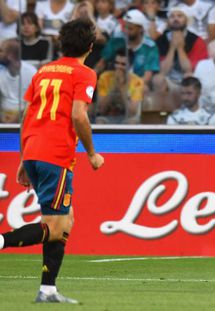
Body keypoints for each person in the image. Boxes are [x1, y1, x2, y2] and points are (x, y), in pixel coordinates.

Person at [0, 18, 104, 303]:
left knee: (64, 220)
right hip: (55, 155)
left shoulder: (43, 71)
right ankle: (2, 241)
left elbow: (26, 116)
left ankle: (48, 289)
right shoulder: (84, 74)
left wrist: (24, 158)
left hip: (34, 151)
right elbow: (78, 115)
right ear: (91, 46)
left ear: (61, 42)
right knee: (56, 227)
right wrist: (93, 154)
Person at [96, 48, 144, 124]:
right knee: (100, 121)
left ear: (130, 66)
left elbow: (132, 112)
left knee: (132, 122)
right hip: (108, 116)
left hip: (127, 118)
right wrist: (115, 85)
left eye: (123, 64)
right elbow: (101, 109)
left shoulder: (137, 81)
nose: (119, 67)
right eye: (117, 63)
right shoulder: (105, 77)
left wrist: (121, 86)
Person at [0, 39, 37, 123]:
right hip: (3, 117)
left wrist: (17, 116)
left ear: (10, 55)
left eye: (1, 51)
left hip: (26, 118)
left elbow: (35, 101)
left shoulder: (31, 72)